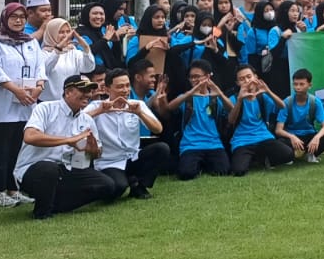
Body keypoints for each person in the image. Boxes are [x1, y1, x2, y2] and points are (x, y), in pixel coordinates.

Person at [13, 74, 118, 219]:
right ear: (68, 92)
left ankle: (54, 204)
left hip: (66, 169)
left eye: (90, 91)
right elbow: (30, 136)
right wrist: (69, 140)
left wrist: (93, 150)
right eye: (83, 90)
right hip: (33, 169)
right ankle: (42, 213)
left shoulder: (87, 119)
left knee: (107, 185)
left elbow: (96, 153)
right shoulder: (45, 108)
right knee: (49, 169)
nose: (88, 94)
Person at [0, 2, 46, 208]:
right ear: (5, 19)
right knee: (1, 148)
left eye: (21, 17)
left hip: (25, 103)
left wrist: (39, 85)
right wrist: (16, 90)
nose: (18, 21)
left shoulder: (29, 42)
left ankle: (13, 188)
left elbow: (39, 66)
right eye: (13, 17)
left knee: (17, 149)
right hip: (3, 104)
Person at [88, 68, 164, 199]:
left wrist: (140, 113)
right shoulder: (97, 105)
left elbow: (158, 129)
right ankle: (126, 181)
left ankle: (139, 186)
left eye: (127, 86)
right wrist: (99, 112)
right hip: (109, 162)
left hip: (133, 157)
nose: (125, 90)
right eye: (120, 86)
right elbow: (76, 122)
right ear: (107, 89)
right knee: (117, 189)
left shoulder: (137, 105)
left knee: (162, 148)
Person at [162, 59, 233, 179]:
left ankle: (204, 164)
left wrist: (219, 92)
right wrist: (191, 92)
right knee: (186, 174)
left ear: (207, 77)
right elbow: (169, 108)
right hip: (191, 145)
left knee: (223, 171)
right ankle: (198, 164)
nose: (194, 80)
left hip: (214, 144)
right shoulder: (186, 97)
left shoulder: (215, 97)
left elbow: (232, 109)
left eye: (197, 77)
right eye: (191, 77)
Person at [227, 64, 293, 174]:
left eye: (249, 76)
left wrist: (268, 91)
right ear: (237, 83)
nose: (246, 81)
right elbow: (231, 121)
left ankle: (260, 158)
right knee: (239, 170)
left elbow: (282, 106)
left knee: (288, 154)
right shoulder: (233, 98)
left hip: (263, 137)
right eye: (242, 79)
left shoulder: (262, 96)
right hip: (242, 141)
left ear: (255, 77)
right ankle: (256, 158)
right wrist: (239, 99)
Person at [277, 69, 324, 163]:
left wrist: (317, 137)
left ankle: (310, 154)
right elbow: (278, 130)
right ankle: (289, 156)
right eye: (295, 84)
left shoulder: (315, 102)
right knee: (279, 143)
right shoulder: (287, 102)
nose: (297, 87)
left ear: (309, 85)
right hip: (292, 137)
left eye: (301, 84)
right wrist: (292, 137)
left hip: (309, 136)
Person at [39, 18, 91, 99]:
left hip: (71, 101)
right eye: (61, 32)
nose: (65, 36)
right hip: (49, 102)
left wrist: (86, 48)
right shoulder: (44, 53)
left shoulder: (73, 51)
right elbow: (46, 70)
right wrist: (58, 49)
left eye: (68, 32)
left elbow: (88, 68)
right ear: (51, 33)